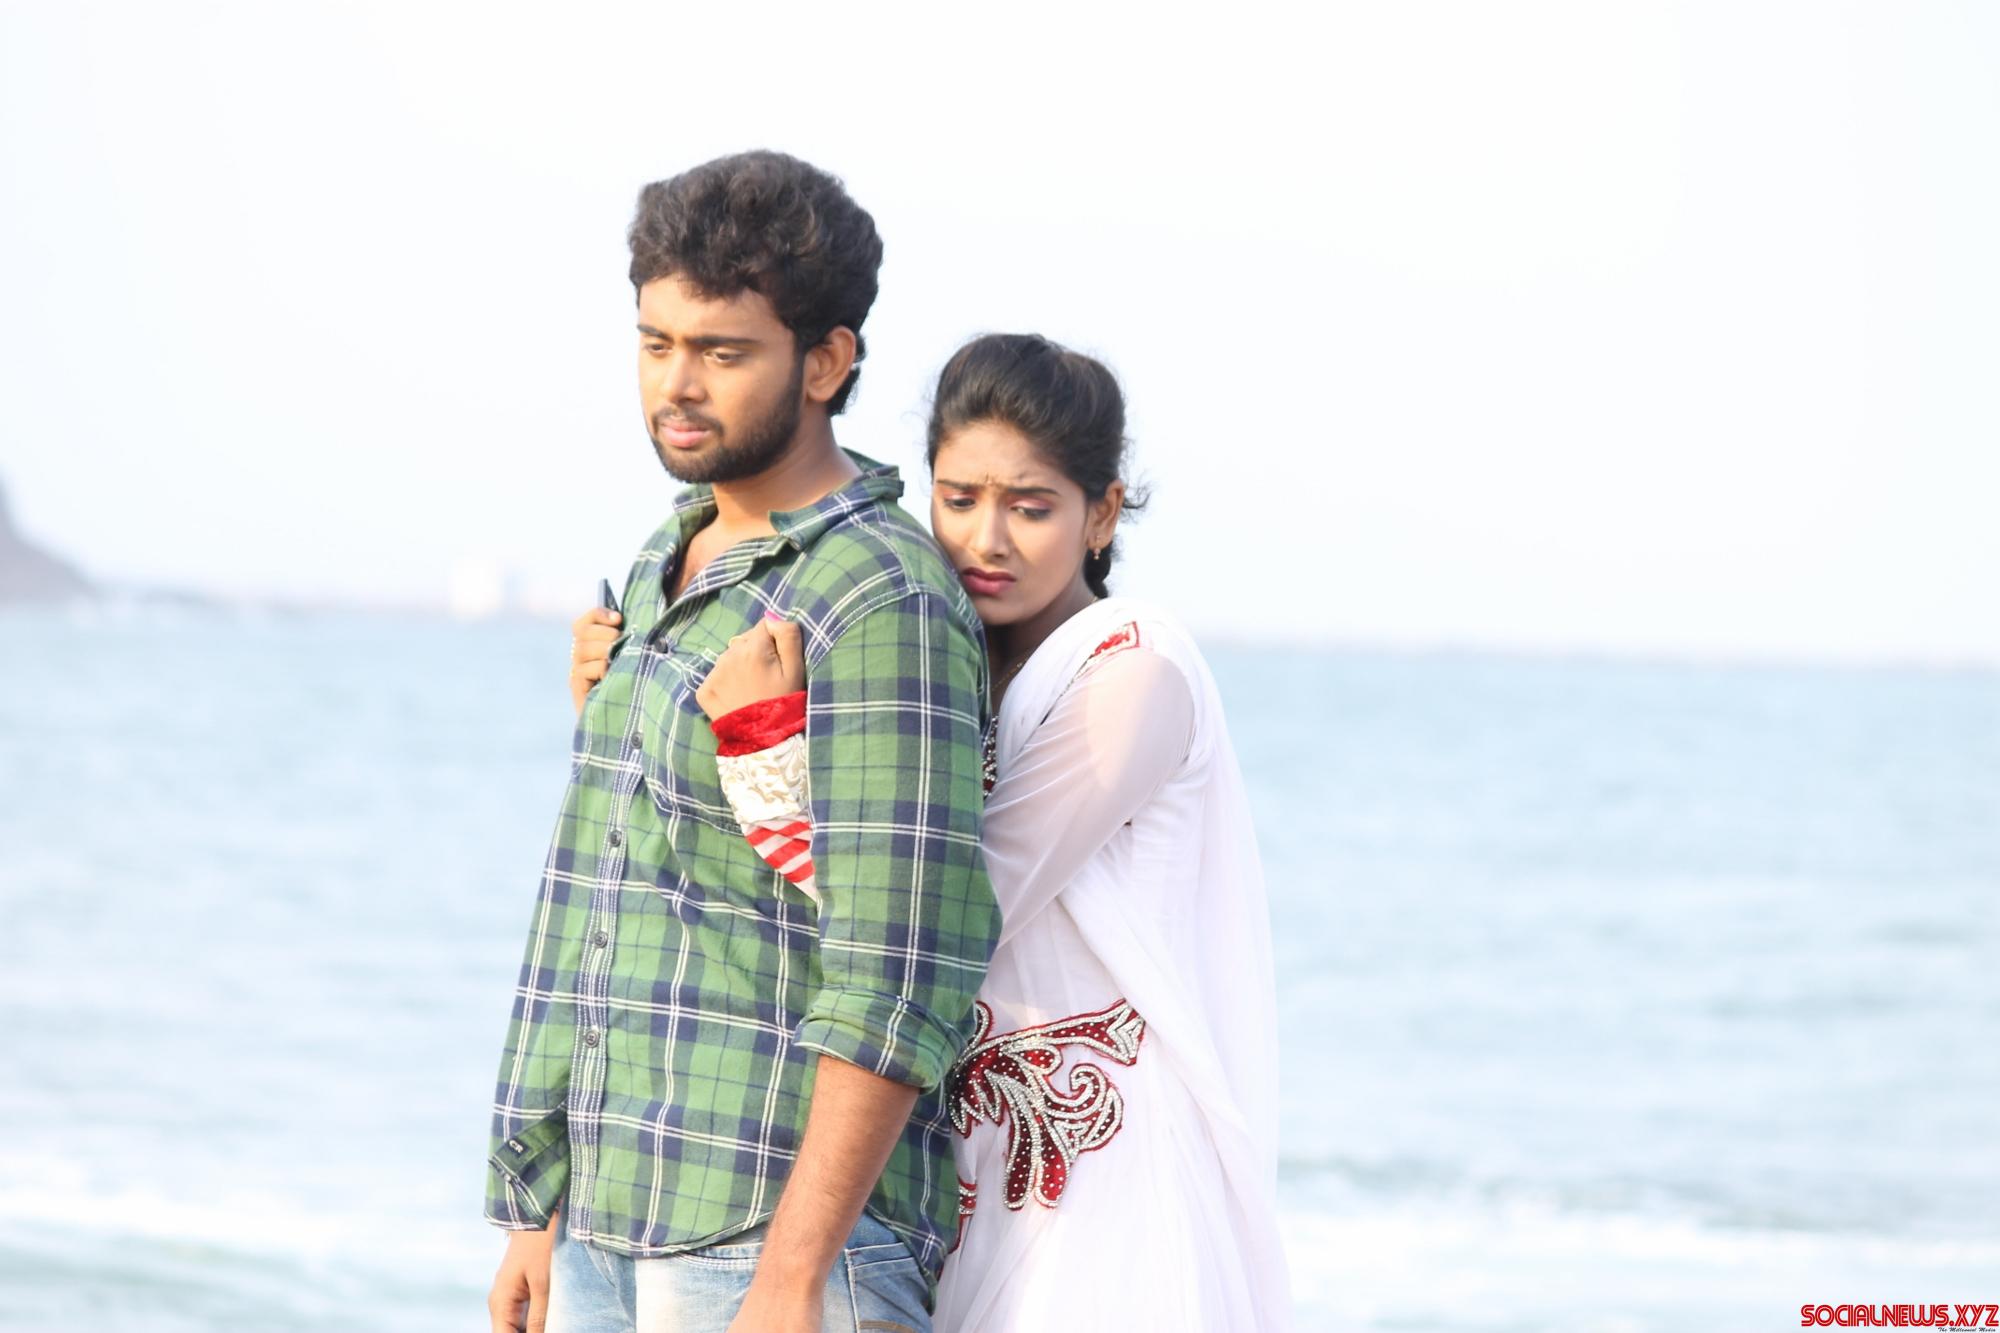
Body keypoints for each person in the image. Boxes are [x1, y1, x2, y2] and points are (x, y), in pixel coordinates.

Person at [571, 334, 1291, 1329]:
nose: (987, 539)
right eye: (958, 499)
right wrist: (633, 695)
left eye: (1030, 507)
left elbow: (942, 902)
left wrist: (761, 740)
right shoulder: (937, 668)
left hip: (1105, 1182)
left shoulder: (1134, 673)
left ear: (1102, 513)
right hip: (958, 1174)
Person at [487, 151, 999, 1333]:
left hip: (769, 1246)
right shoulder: (665, 563)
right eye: (655, 343)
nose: (677, 384)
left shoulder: (877, 596)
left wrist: (790, 1276)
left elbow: (899, 963)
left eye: (722, 353)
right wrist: (537, 1207)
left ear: (824, 361)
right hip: (609, 1227)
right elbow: (605, 889)